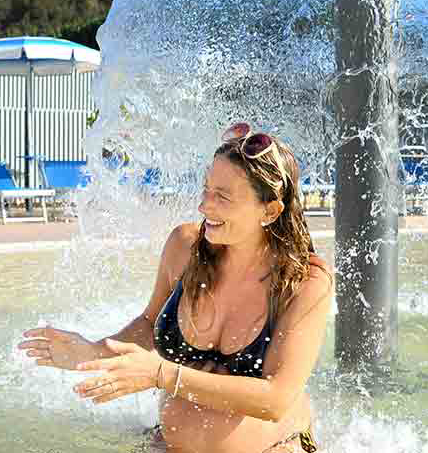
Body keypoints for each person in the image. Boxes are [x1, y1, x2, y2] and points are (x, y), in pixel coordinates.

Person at [19, 124, 332, 452]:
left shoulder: (303, 283)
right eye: (206, 190)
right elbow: (149, 324)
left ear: (269, 211)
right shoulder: (185, 247)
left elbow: (276, 399)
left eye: (222, 197)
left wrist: (162, 374)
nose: (204, 206)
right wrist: (95, 352)